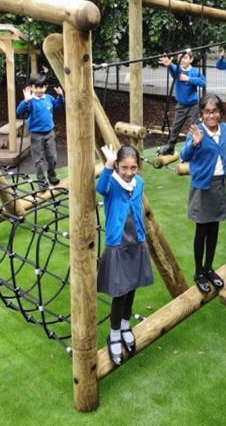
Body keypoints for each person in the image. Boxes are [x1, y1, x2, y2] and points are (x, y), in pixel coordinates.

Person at [180, 92, 226, 293]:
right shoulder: (198, 132)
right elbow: (184, 155)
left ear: (220, 113)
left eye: (215, 112)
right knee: (202, 231)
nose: (211, 116)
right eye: (207, 112)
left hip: (218, 186)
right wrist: (194, 142)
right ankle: (198, 273)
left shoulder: (224, 129)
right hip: (202, 187)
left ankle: (209, 268)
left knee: (214, 230)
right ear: (202, 114)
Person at [96, 144, 154, 366]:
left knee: (132, 287)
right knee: (120, 292)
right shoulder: (111, 182)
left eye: (133, 168)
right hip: (118, 244)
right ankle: (113, 334)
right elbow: (101, 188)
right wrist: (108, 167)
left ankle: (125, 324)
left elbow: (137, 206)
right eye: (124, 168)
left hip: (136, 242)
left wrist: (142, 236)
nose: (129, 172)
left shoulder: (139, 182)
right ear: (118, 166)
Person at [16, 74, 64, 189]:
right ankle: (41, 181)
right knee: (38, 160)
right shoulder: (31, 101)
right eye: (36, 87)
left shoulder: (48, 98)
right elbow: (19, 111)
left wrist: (60, 96)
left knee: (52, 157)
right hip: (36, 135)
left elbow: (59, 107)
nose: (39, 90)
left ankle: (52, 176)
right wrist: (26, 101)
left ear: (46, 87)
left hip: (49, 133)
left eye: (42, 87)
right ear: (31, 88)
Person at [158, 50, 206, 155]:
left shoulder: (195, 71)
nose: (182, 60)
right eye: (180, 58)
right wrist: (170, 64)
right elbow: (174, 69)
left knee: (195, 127)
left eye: (185, 58)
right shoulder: (177, 70)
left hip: (194, 105)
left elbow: (203, 82)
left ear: (191, 59)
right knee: (175, 127)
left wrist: (188, 78)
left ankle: (196, 147)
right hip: (181, 106)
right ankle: (170, 147)